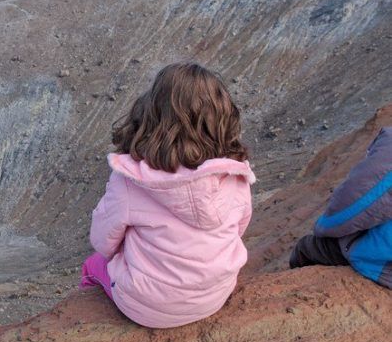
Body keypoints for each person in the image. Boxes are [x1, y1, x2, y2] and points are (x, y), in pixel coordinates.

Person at [79, 62, 255, 328]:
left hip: (145, 307)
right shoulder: (234, 175)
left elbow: (102, 241)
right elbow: (238, 228)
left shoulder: (131, 180)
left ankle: (83, 319)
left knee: (93, 265)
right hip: (214, 295)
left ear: (151, 116)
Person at [290, 127, 391, 289]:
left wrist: (322, 229)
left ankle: (294, 290)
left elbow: (353, 207)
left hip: (383, 262)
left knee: (306, 247)